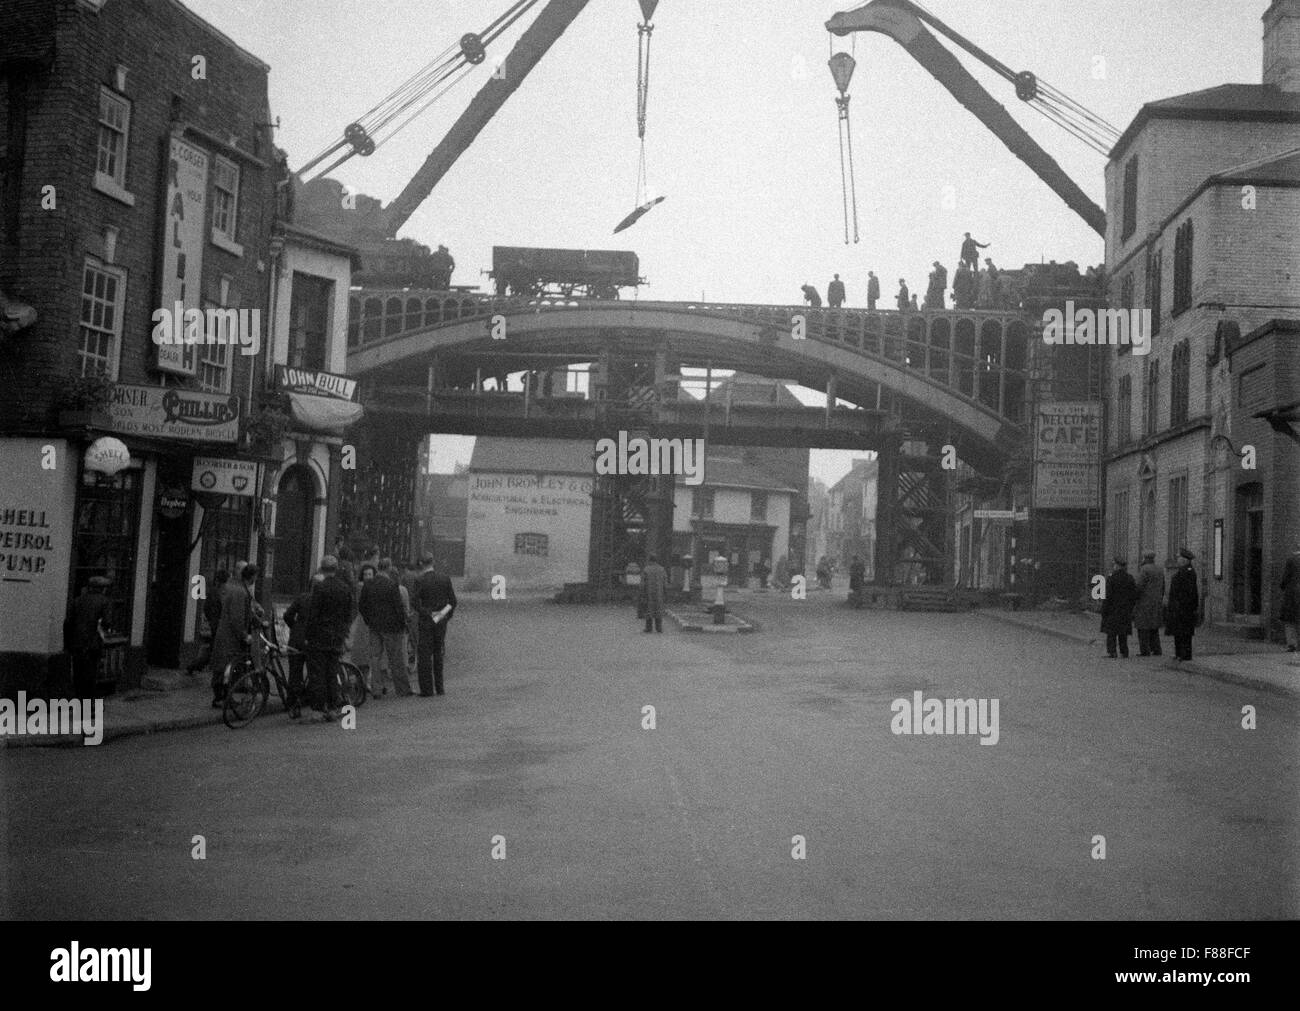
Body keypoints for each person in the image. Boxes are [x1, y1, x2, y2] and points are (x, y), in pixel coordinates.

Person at [304, 556, 355, 721]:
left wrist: (308, 635)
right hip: (336, 637)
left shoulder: (320, 588)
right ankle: (333, 707)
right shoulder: (345, 588)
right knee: (332, 673)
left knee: (318, 674)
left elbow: (314, 615)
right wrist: (343, 631)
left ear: (322, 569)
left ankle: (318, 710)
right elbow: (349, 613)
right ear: (337, 568)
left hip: (320, 637)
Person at [360, 558, 414, 697]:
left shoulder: (368, 585)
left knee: (375, 658)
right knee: (395, 658)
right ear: (389, 568)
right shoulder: (392, 585)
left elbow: (362, 606)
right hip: (391, 627)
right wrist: (403, 623)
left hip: (374, 626)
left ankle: (376, 689)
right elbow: (398, 608)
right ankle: (402, 689)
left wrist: (368, 620)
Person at [210, 563, 258, 707]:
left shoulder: (235, 587)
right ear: (252, 577)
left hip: (226, 634)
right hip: (230, 638)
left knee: (223, 667)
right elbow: (236, 618)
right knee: (226, 668)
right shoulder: (240, 592)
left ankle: (223, 697)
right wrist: (244, 636)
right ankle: (222, 698)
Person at [414, 555, 457, 696]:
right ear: (433, 562)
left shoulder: (420, 580)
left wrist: (427, 613)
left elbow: (415, 602)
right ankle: (440, 687)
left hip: (426, 620)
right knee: (438, 652)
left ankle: (426, 690)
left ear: (421, 564)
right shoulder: (444, 578)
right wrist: (443, 615)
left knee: (424, 655)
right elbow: (452, 601)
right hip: (440, 621)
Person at [64, 576, 111, 700]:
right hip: (93, 644)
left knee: (78, 676)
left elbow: (68, 623)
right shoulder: (104, 601)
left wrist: (67, 644)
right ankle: (88, 707)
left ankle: (78, 704)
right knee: (90, 676)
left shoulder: (77, 600)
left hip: (76, 644)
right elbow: (107, 622)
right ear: (103, 589)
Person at [282, 576, 319, 718]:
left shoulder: (301, 598)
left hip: (296, 640)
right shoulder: (320, 601)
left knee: (294, 674)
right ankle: (314, 703)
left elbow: (287, 615)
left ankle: (293, 705)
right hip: (312, 640)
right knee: (314, 672)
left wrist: (295, 627)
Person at [187, 569, 228, 675]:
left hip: (215, 624)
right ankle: (196, 665)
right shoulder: (220, 593)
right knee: (214, 650)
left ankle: (196, 665)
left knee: (212, 649)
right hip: (218, 625)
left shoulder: (215, 592)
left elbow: (207, 608)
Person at [1100, 557, 1138, 658]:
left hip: (1113, 609)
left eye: (1114, 565)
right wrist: (1130, 607)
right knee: (1123, 632)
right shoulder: (1129, 578)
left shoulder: (1112, 578)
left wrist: (1104, 610)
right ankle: (1124, 651)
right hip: (1125, 609)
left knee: (1111, 632)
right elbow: (1134, 595)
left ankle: (1112, 651)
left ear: (1117, 566)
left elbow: (1107, 596)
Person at [1165, 548, 1200, 662]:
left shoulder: (1188, 572)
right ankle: (1179, 653)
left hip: (1184, 608)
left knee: (1184, 632)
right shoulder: (1182, 571)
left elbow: (1190, 592)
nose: (1177, 559)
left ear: (1185, 560)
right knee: (1178, 632)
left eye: (1179, 557)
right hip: (1179, 608)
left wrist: (1183, 605)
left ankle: (1185, 654)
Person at [349, 563, 377, 692]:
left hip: (368, 621)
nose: (367, 577)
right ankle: (362, 681)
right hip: (363, 622)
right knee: (363, 652)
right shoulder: (361, 587)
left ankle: (365, 681)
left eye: (369, 574)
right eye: (365, 574)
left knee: (367, 653)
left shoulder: (366, 586)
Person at [1133, 551, 1166, 657]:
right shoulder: (1160, 569)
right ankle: (1157, 649)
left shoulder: (1144, 569)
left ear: (1145, 558)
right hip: (1156, 602)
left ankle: (1145, 651)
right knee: (1154, 627)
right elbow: (1163, 586)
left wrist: (1134, 598)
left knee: (1142, 627)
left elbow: (1138, 586)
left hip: (1144, 602)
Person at [1281, 542, 1300, 652]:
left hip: (1292, 593)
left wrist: (1283, 586)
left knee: (1289, 619)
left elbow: (1285, 578)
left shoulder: (1291, 560)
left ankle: (1292, 644)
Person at [642, 554, 667, 633]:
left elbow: (643, 583)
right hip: (659, 593)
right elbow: (665, 583)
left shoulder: (646, 569)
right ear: (656, 560)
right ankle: (659, 628)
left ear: (650, 560)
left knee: (649, 609)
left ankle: (648, 628)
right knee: (658, 609)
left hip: (649, 592)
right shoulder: (662, 569)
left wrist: (642, 593)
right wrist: (665, 592)